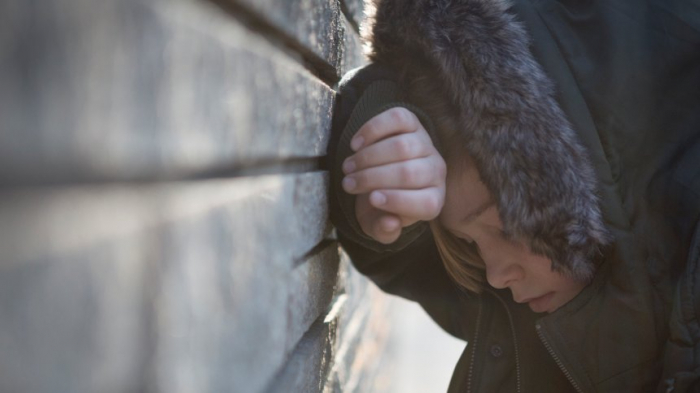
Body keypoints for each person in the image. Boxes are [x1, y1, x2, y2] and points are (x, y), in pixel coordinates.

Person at [328, 0, 700, 392]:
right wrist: (381, 160)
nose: (496, 275)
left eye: (506, 226)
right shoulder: (545, 309)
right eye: (468, 242)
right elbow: (428, 272)